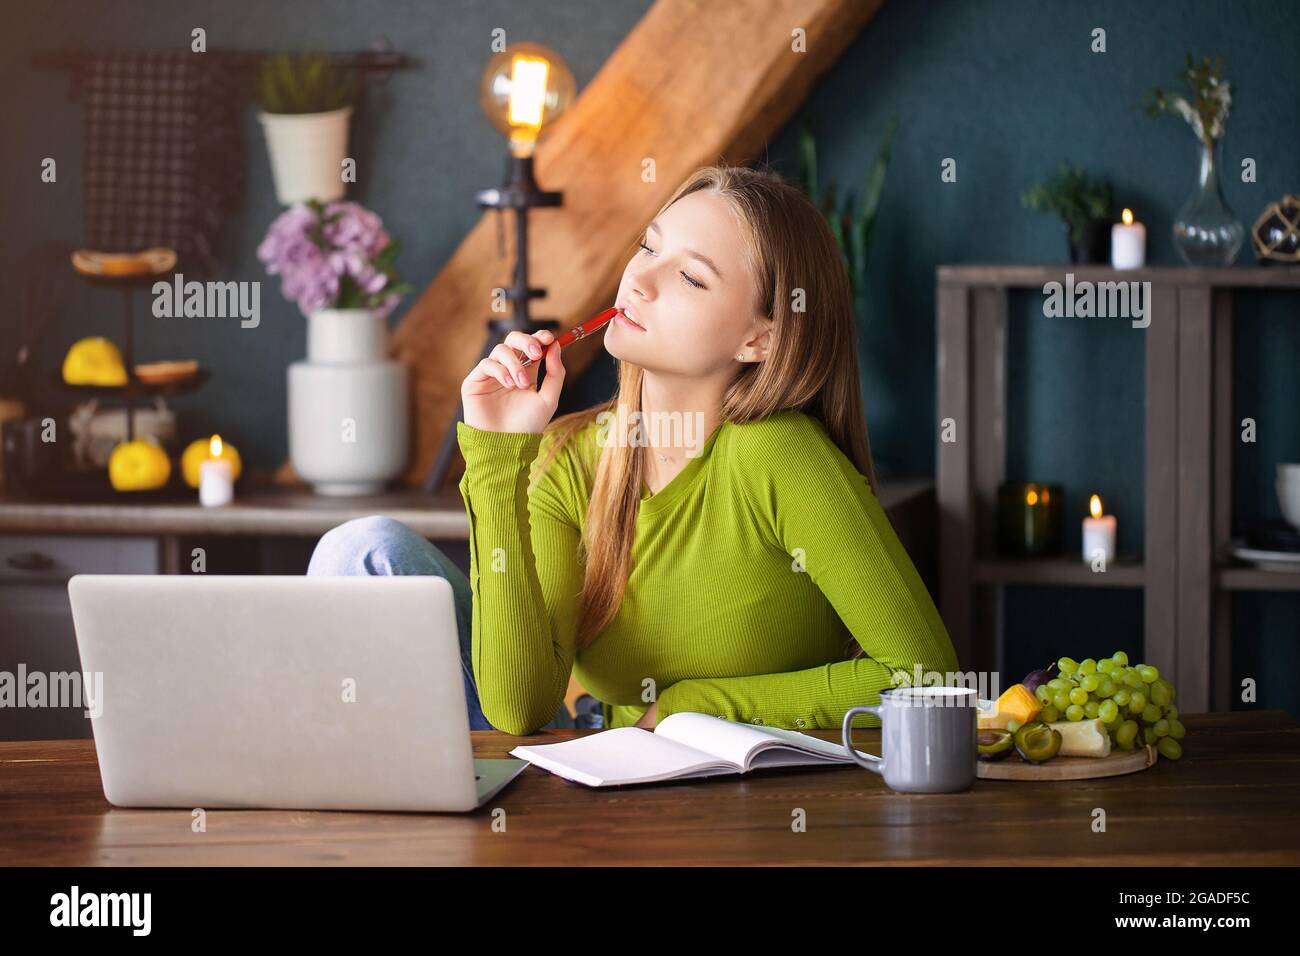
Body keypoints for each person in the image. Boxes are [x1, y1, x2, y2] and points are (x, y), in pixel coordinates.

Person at [308, 163, 960, 735]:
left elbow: (926, 679)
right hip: (599, 763)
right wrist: (498, 457)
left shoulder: (779, 455)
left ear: (759, 340)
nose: (640, 281)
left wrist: (699, 705)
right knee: (361, 550)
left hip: (742, 795)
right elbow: (518, 710)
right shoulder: (570, 456)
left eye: (691, 278)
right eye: (649, 246)